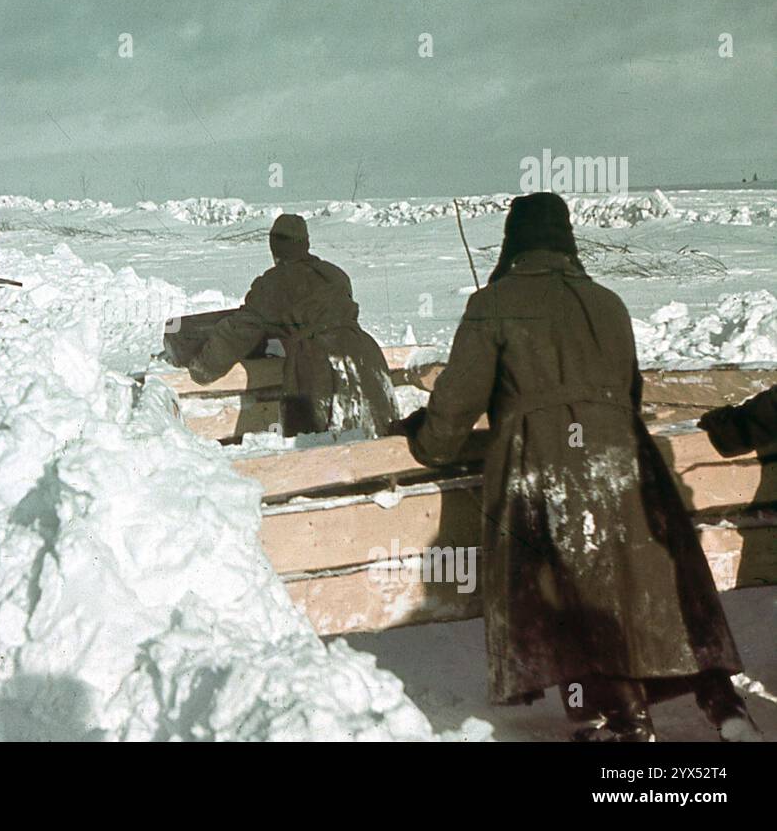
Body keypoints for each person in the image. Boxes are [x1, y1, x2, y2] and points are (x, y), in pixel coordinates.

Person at [395, 191, 757, 742]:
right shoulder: (607, 301)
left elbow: (457, 405)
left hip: (544, 461)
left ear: (514, 242)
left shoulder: (493, 303)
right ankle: (720, 703)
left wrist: (427, 439)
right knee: (640, 585)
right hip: (625, 461)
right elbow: (628, 392)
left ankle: (623, 724)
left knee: (565, 590)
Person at [185, 214, 399, 438]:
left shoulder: (273, 284)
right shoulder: (335, 275)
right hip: (365, 356)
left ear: (274, 249)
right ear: (305, 243)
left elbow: (238, 332)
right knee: (378, 436)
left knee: (318, 448)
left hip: (317, 364)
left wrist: (203, 368)